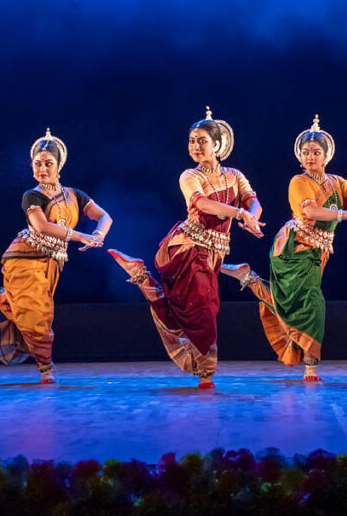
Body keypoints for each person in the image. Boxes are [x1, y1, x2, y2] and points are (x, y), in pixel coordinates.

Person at [108, 107, 264, 388]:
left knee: (188, 311)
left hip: (215, 253)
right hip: (188, 248)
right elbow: (202, 204)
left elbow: (252, 200)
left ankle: (143, 278)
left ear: (217, 144)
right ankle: (206, 372)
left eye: (201, 140)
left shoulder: (235, 175)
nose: (195, 146)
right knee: (203, 308)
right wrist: (240, 214)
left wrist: (252, 214)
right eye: (191, 140)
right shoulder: (189, 176)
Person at [219, 115, 347, 381]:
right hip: (292, 250)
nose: (310, 157)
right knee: (307, 304)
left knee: (298, 304)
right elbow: (312, 211)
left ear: (326, 156)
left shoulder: (338, 181)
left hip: (318, 252)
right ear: (300, 157)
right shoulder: (298, 181)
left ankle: (248, 278)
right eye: (305, 153)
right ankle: (311, 366)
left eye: (316, 152)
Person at [0, 129, 112, 384]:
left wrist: (98, 234)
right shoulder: (32, 195)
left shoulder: (75, 195)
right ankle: (45, 369)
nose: (42, 169)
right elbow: (41, 226)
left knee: (32, 312)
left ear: (59, 165)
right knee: (37, 317)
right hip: (24, 258)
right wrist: (80, 236)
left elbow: (105, 216)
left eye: (48, 164)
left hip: (52, 263)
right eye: (37, 164)